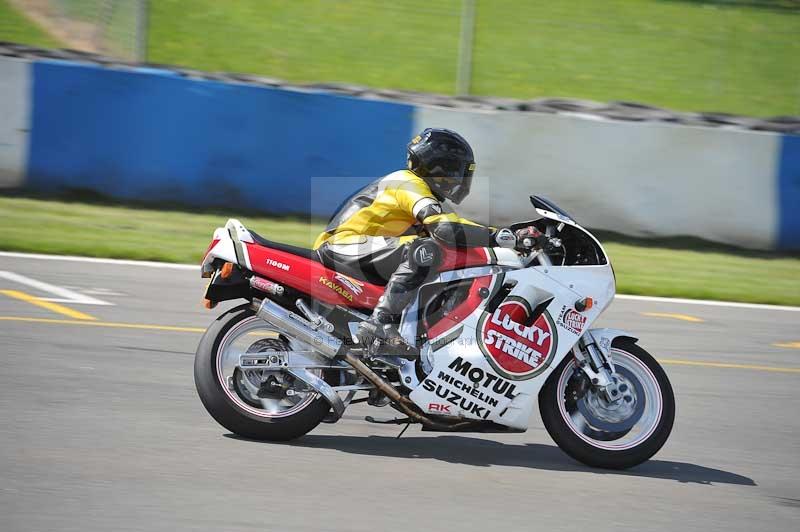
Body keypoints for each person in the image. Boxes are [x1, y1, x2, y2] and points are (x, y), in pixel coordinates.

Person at [314, 128, 519, 353]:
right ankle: (380, 325)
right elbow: (444, 228)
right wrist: (501, 236)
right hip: (343, 245)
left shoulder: (419, 190)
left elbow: (454, 225)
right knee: (425, 250)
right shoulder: (407, 182)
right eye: (458, 171)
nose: (460, 180)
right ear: (439, 167)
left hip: (360, 249)